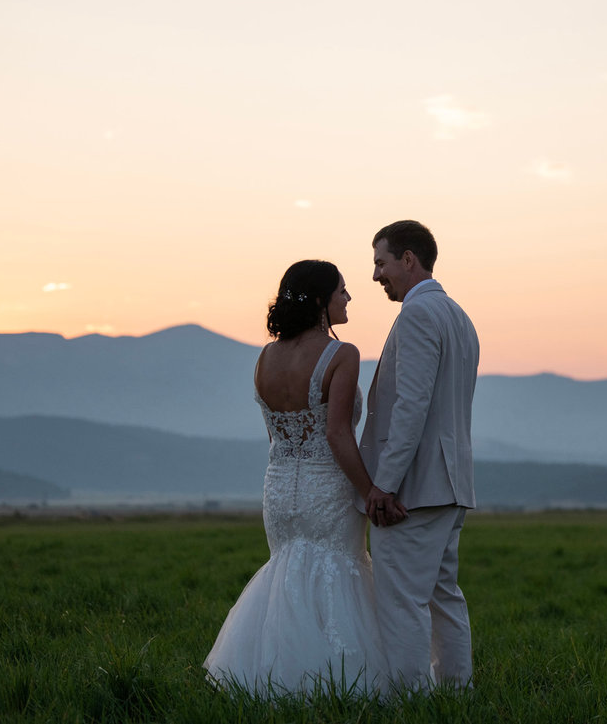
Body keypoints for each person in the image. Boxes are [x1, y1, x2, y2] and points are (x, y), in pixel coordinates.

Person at [204, 259, 404, 696]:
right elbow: (337, 433)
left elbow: (275, 436)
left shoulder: (265, 358)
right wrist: (370, 491)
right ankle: (338, 687)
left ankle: (274, 683)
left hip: (277, 487)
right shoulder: (342, 354)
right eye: (341, 291)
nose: (349, 297)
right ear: (319, 301)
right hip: (327, 486)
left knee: (289, 574)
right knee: (337, 573)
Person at [358, 220, 480, 691]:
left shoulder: (417, 315)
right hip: (451, 484)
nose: (376, 276)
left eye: (380, 263)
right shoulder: (458, 315)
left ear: (408, 259)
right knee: (443, 594)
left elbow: (411, 408)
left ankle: (412, 702)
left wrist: (385, 484)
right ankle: (455, 694)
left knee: (402, 600)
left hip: (416, 487)